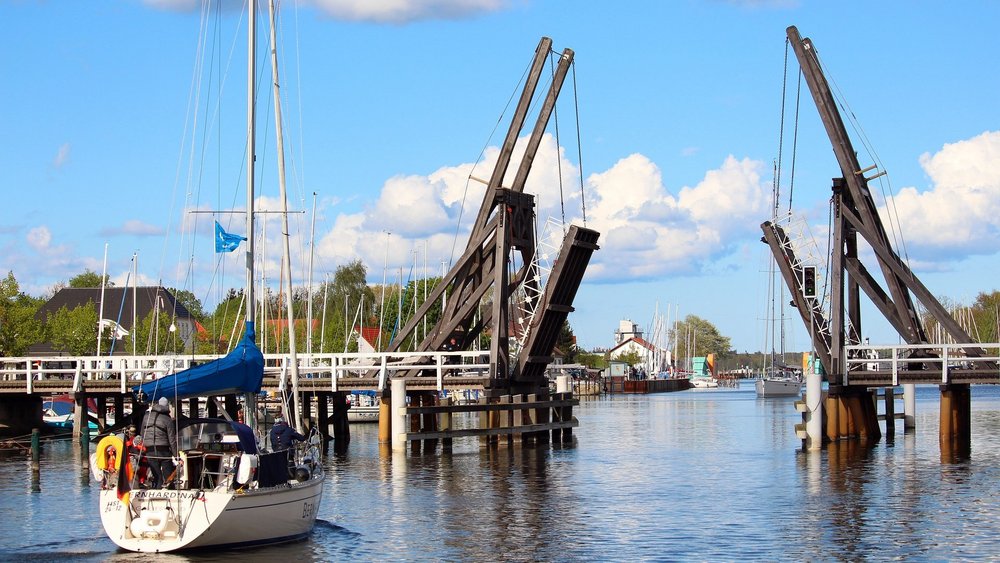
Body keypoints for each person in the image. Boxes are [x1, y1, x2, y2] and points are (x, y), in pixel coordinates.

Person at [141, 397, 178, 488]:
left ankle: (156, 493)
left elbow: (142, 433)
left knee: (157, 477)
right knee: (168, 477)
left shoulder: (146, 417)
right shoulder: (167, 419)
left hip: (150, 450)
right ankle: (170, 492)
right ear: (167, 406)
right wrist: (176, 455)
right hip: (163, 450)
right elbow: (172, 439)